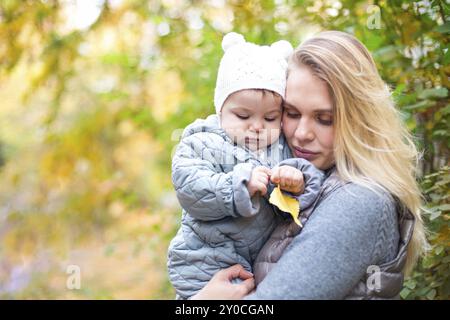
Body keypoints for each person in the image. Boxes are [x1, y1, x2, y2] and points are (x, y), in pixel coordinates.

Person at [191, 31, 428, 300]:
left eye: (324, 119)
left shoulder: (359, 201)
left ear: (360, 121)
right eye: (291, 113)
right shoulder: (302, 183)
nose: (302, 133)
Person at [167, 32, 324, 300]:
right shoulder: (203, 142)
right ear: (220, 109)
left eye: (271, 117)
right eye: (242, 115)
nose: (257, 126)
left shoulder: (281, 147)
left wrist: (297, 180)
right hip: (204, 259)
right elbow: (191, 188)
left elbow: (306, 176)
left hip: (258, 265)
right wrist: (240, 184)